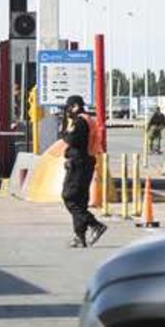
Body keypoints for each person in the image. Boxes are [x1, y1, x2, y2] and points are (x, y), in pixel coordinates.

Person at [60, 95, 107, 248]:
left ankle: (95, 224)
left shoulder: (80, 122)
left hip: (79, 164)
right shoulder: (89, 119)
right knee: (80, 201)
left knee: (69, 197)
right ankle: (80, 236)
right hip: (86, 162)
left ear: (74, 106)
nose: (67, 111)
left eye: (68, 108)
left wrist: (64, 130)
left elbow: (72, 140)